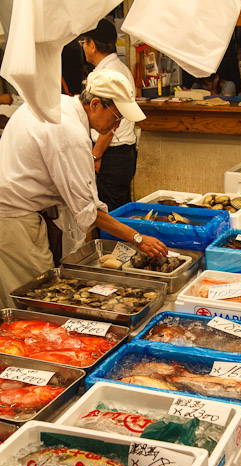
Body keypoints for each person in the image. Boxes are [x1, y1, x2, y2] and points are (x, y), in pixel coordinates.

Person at [0, 68, 167, 309]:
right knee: (34, 299)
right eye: (116, 117)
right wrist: (137, 238)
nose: (117, 126)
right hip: (14, 221)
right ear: (96, 103)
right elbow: (89, 211)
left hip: (18, 213)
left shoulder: (56, 103)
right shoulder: (68, 132)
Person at [80, 18, 138, 211]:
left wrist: (95, 157)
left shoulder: (106, 75)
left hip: (112, 154)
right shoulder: (119, 68)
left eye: (84, 43)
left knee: (108, 212)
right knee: (118, 210)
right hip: (122, 153)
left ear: (92, 45)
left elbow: (108, 123)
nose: (84, 48)